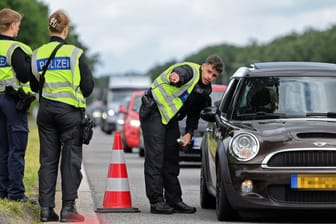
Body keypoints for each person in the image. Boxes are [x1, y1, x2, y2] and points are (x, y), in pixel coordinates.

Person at [30, 10, 94, 222]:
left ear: (50, 28)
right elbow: (87, 87)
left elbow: (33, 85)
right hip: (69, 114)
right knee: (70, 160)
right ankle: (68, 209)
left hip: (46, 112)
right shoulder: (75, 53)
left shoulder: (37, 53)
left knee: (47, 161)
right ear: (65, 29)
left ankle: (46, 210)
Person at [139, 55, 224, 214]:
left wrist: (189, 133)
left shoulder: (205, 89)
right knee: (156, 157)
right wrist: (176, 77)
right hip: (153, 110)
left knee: (172, 158)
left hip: (168, 117)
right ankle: (156, 202)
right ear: (203, 66)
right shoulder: (190, 71)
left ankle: (174, 200)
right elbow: (180, 73)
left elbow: (194, 114)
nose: (209, 77)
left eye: (214, 76)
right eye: (209, 72)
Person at [0, 8, 35, 203]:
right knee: (17, 147)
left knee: (2, 147)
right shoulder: (15, 48)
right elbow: (23, 75)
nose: (18, 29)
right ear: (12, 25)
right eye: (18, 26)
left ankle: (2, 191)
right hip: (12, 101)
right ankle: (16, 194)